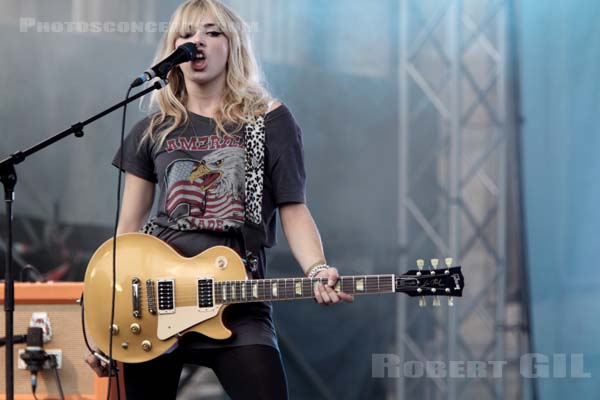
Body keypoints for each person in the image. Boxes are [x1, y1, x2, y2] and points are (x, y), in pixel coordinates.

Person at [84, 0, 353, 399]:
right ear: (173, 49)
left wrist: (316, 268)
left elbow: (292, 207)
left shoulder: (268, 121)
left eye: (213, 33)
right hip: (157, 302)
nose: (199, 43)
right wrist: (104, 322)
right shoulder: (153, 129)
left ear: (234, 46)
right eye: (187, 35)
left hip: (238, 298)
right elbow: (126, 234)